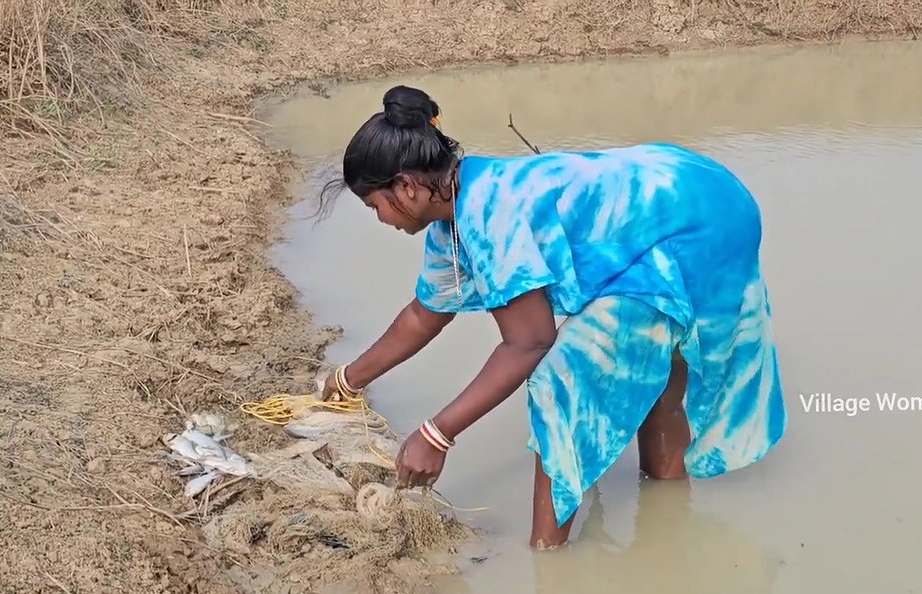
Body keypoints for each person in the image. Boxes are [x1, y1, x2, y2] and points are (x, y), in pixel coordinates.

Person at [317, 85, 787, 549]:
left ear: (407, 186)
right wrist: (346, 381)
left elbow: (529, 342)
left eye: (373, 205)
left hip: (699, 223)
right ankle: (666, 517)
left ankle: (549, 559)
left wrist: (436, 435)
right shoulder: (455, 214)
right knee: (654, 375)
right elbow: (424, 314)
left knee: (559, 383)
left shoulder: (490, 215)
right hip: (693, 189)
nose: (380, 218)